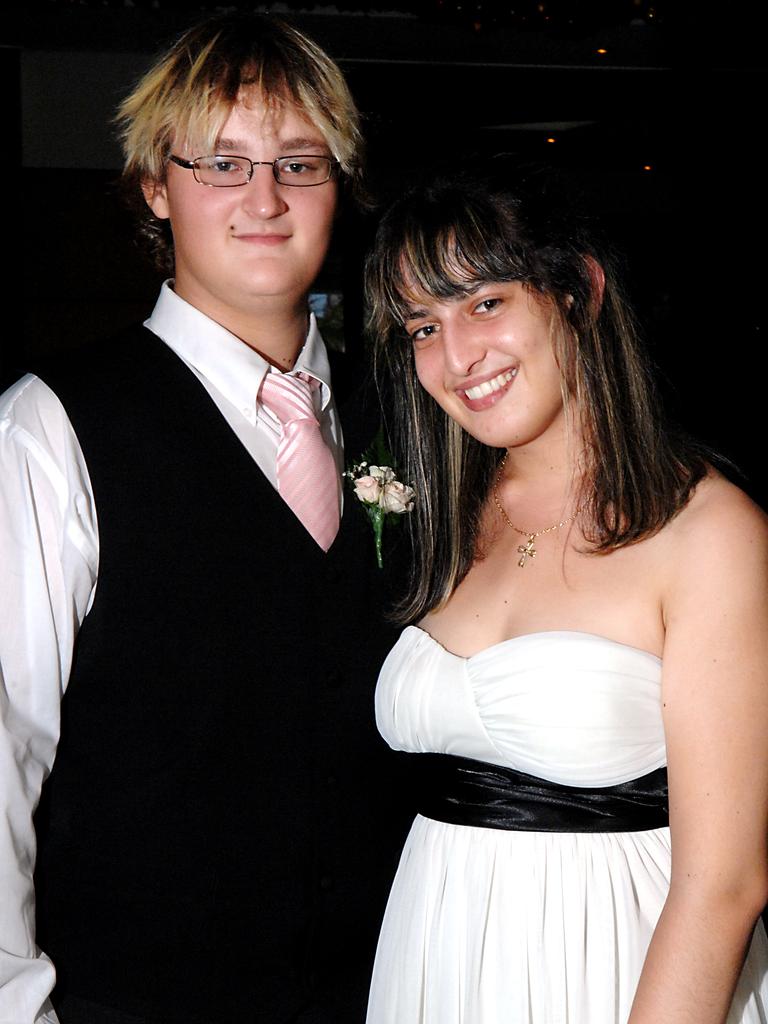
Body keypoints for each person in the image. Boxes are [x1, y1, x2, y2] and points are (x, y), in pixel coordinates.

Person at [0, 14, 406, 1024]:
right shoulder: (52, 426)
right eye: (223, 162)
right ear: (155, 186)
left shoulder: (412, 416)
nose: (264, 199)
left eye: (299, 164)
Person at [363, 159, 768, 1023]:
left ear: (577, 291)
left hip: (616, 969)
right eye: (421, 327)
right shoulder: (446, 519)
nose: (456, 357)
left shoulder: (708, 534)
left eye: (484, 303)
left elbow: (725, 884)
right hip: (434, 957)